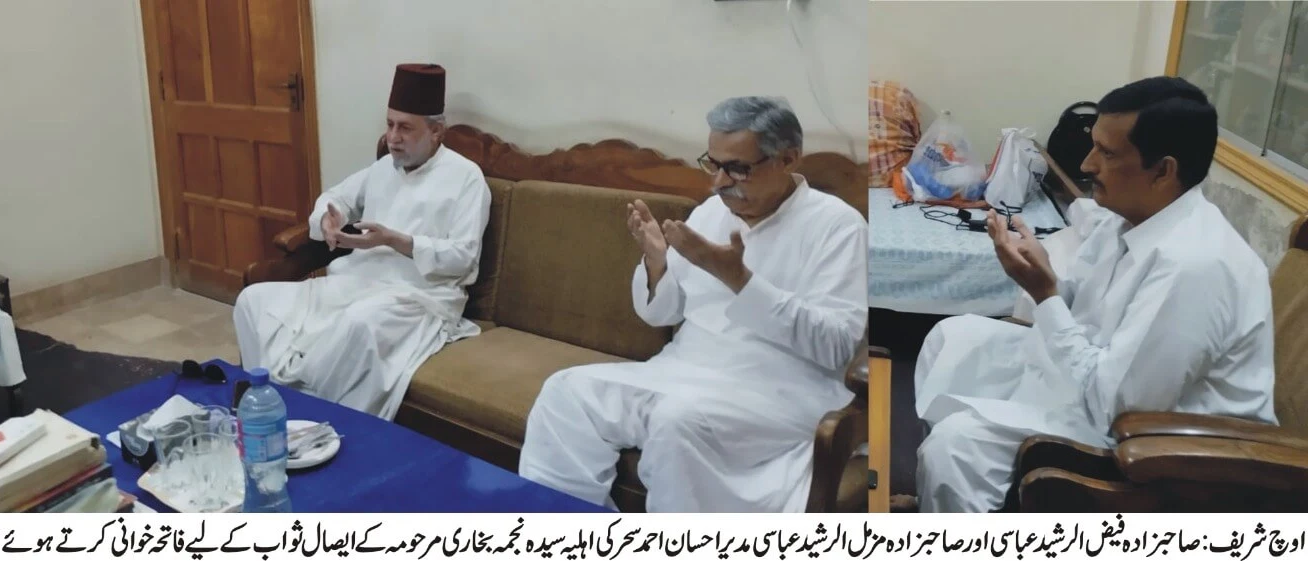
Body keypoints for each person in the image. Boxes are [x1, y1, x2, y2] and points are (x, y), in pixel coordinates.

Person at [913, 76, 1277, 513]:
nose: (1086, 164)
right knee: (950, 339)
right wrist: (1039, 272)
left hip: (1164, 450)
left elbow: (1117, 408)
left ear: (1163, 171)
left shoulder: (1195, 265)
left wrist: (1045, 296)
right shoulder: (1127, 217)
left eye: (1106, 153)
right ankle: (977, 495)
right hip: (1103, 382)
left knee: (956, 448)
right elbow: (1079, 304)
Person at [517, 96, 869, 512]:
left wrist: (738, 279)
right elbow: (662, 314)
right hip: (683, 372)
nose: (719, 182)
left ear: (788, 158)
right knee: (566, 393)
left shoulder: (839, 227)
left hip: (778, 390)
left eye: (737, 168)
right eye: (713, 164)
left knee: (676, 419)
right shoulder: (710, 214)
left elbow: (835, 346)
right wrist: (656, 262)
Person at [232, 64, 490, 420]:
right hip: (356, 281)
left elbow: (463, 258)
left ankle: (313, 421)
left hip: (419, 296)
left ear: (436, 132)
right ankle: (268, 405)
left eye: (405, 127)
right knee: (253, 301)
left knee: (356, 323)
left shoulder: (467, 179)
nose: (393, 137)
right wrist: (329, 215)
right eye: (389, 124)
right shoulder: (385, 167)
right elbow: (336, 197)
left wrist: (398, 241)